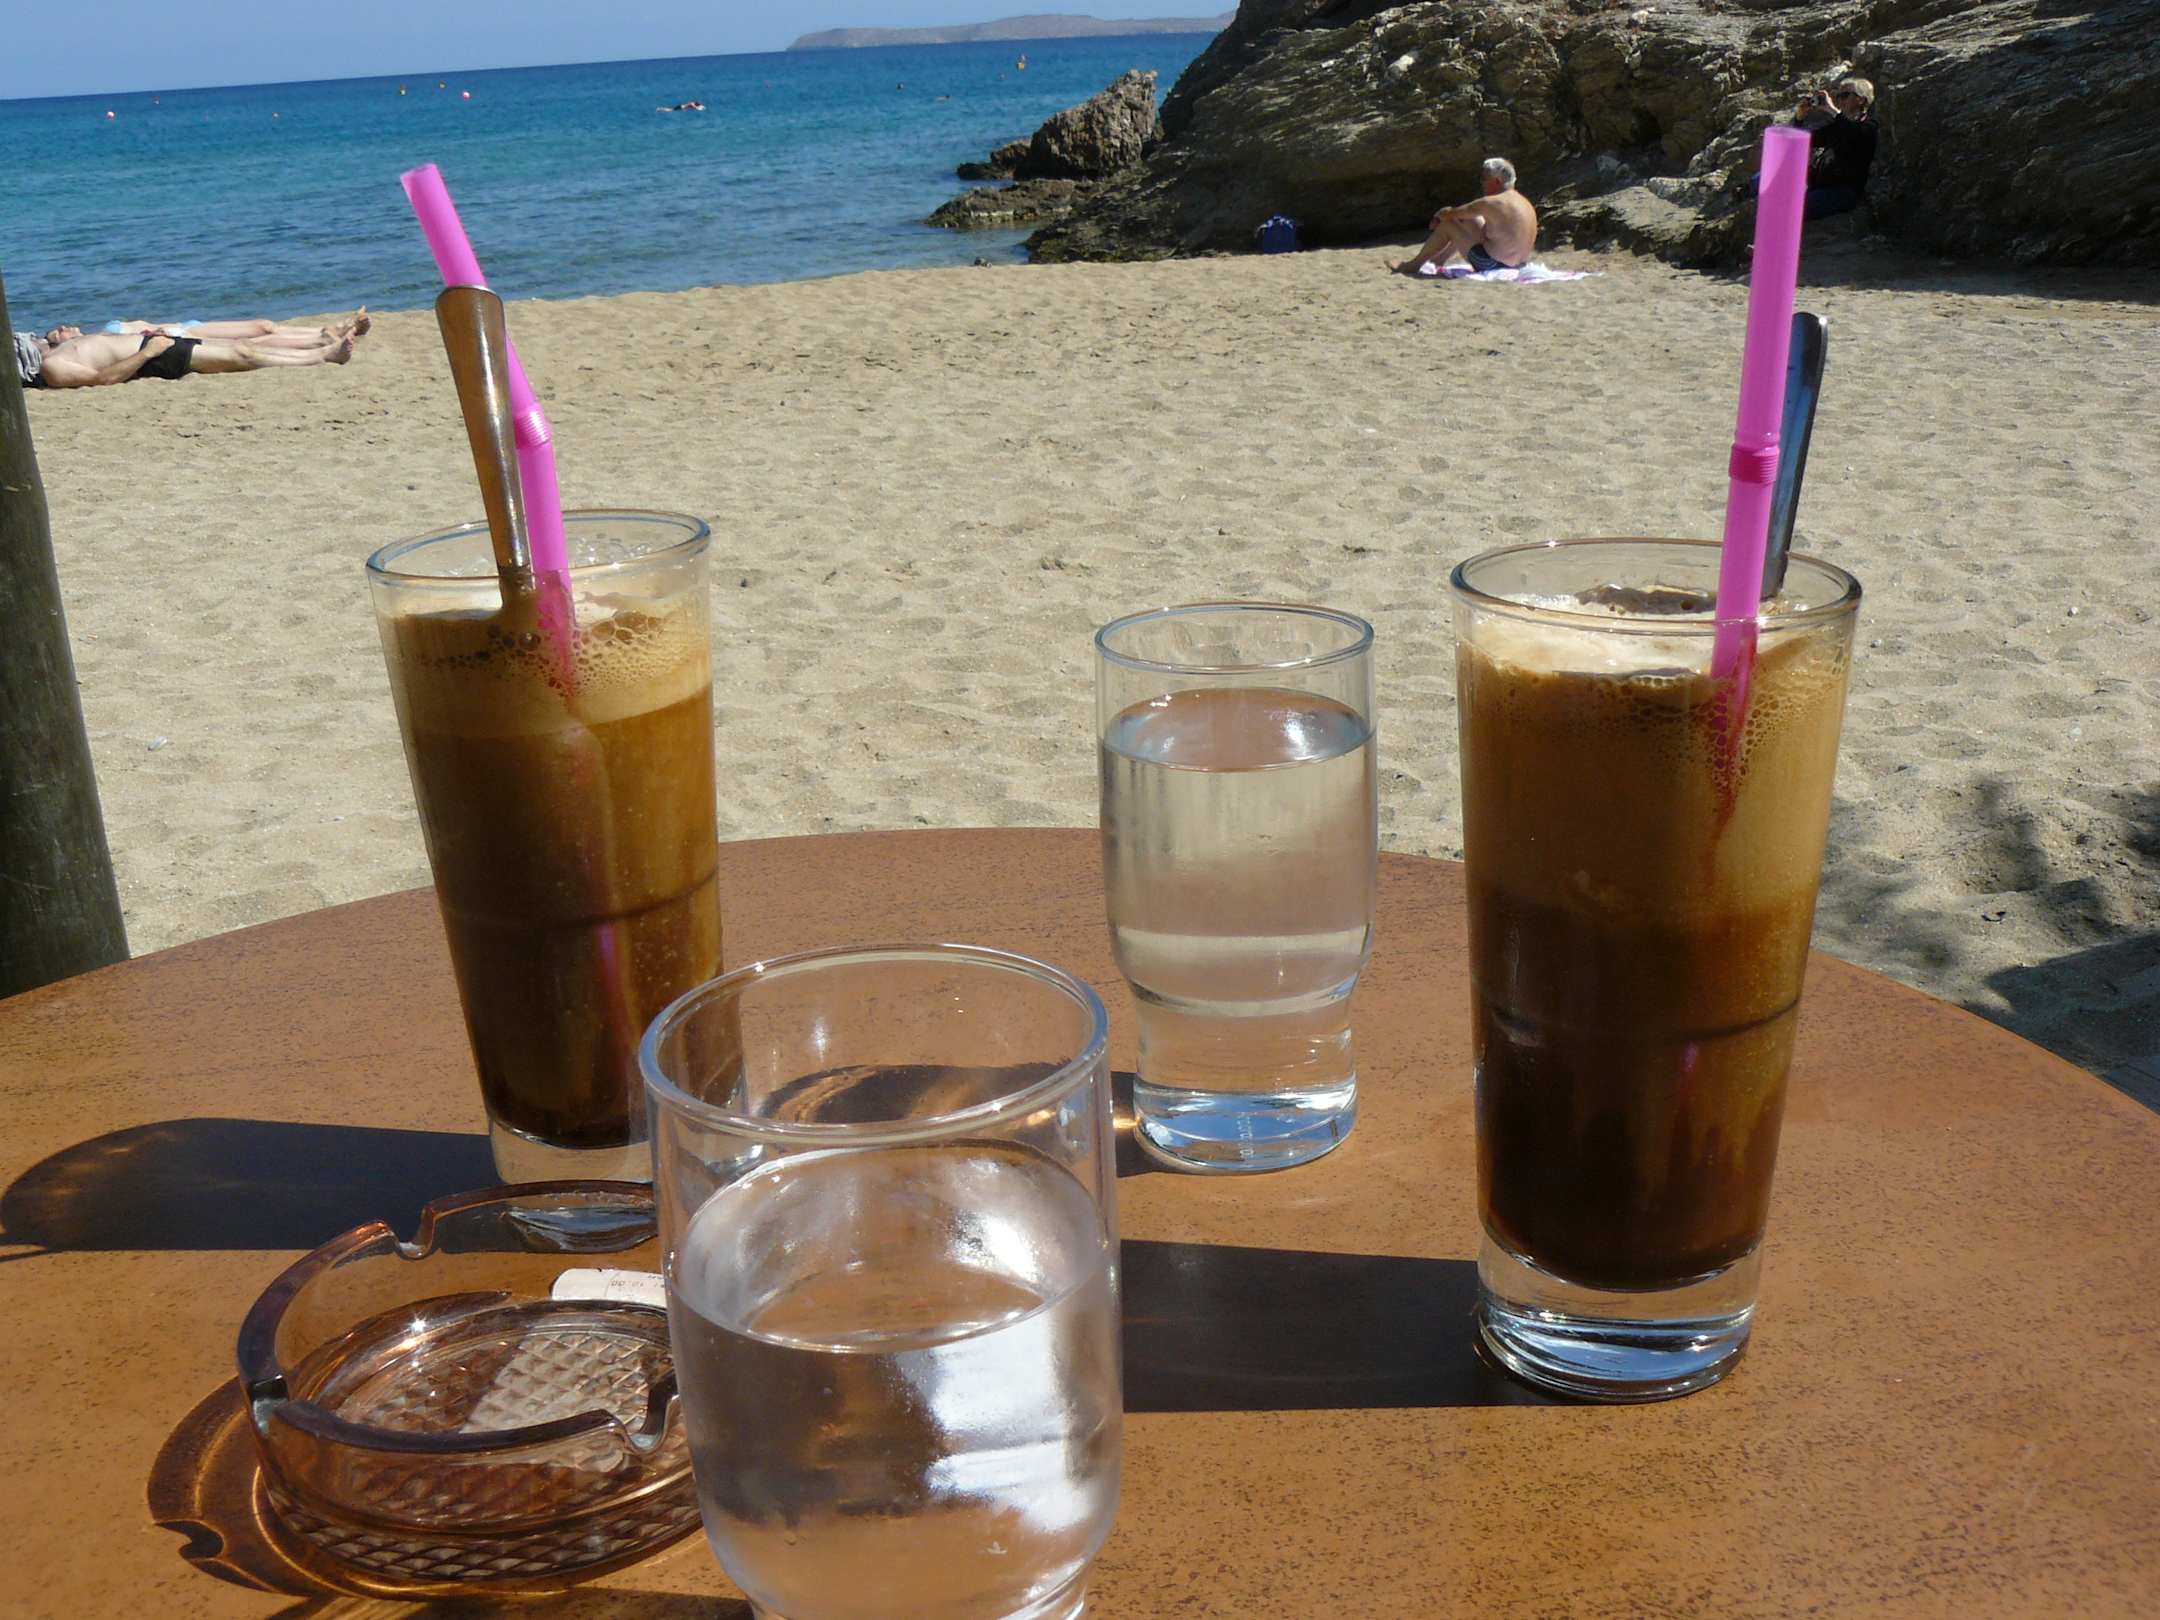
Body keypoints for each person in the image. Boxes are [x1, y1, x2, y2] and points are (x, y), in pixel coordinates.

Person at [13, 324, 357, 390]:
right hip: (154, 356)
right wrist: (149, 352)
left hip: (155, 344)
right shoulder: (53, 367)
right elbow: (103, 379)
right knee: (243, 354)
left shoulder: (59, 347)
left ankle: (319, 350)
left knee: (243, 346)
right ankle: (325, 356)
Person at [1753, 77, 1878, 220]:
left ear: (1861, 100)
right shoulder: (1838, 126)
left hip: (1842, 191)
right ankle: (1744, 191)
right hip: (1818, 182)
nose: (1840, 101)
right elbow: (1803, 141)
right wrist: (1800, 118)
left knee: (1789, 208)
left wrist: (1831, 109)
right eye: (1838, 96)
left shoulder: (1869, 127)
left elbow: (1853, 132)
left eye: (1845, 95)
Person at [1391, 158, 1538, 277]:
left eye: (1484, 178)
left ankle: (1413, 265)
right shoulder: (1524, 202)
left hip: (1492, 265)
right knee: (1469, 219)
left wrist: (1438, 215)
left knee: (1448, 225)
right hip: (1519, 265)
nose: (1481, 182)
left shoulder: (1492, 202)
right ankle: (1438, 261)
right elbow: (1465, 214)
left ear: (1497, 182)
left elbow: (1449, 214)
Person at [43, 310, 369, 347]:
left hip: (185, 327)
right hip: (183, 337)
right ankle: (323, 336)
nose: (65, 327)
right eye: (59, 332)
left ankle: (324, 332)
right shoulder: (96, 343)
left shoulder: (102, 331)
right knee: (259, 335)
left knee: (263, 326)